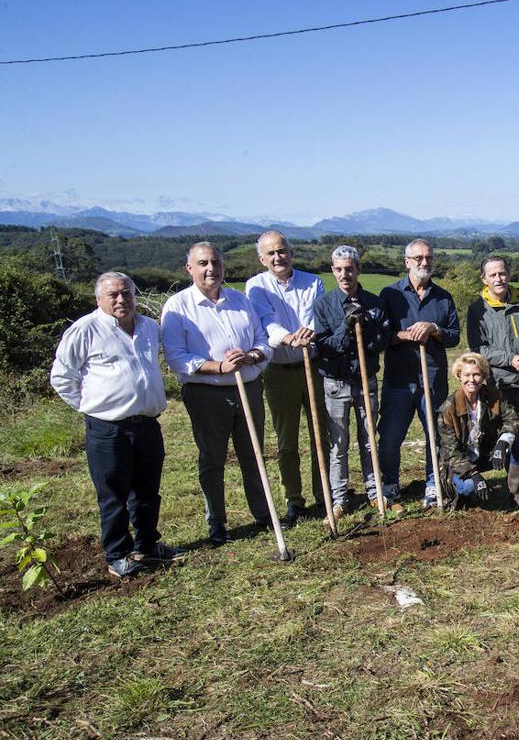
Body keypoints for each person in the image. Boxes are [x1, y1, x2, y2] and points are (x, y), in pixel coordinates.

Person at [50, 272, 181, 577]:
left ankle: (148, 544)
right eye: (114, 295)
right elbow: (62, 376)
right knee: (113, 494)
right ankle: (118, 553)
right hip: (108, 429)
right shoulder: (85, 330)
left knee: (148, 490)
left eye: (127, 293)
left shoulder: (149, 327)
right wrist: (92, 407)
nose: (122, 299)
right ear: (99, 299)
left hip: (147, 423)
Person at [161, 242, 274, 545]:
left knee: (253, 454)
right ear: (190, 268)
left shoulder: (240, 300)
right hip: (206, 393)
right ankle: (218, 523)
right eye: (203, 263)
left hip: (247, 387)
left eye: (215, 262)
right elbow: (176, 357)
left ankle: (264, 514)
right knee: (213, 458)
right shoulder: (177, 306)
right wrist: (218, 366)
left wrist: (251, 356)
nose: (211, 269)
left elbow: (263, 340)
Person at [245, 230, 326, 527]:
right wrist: (287, 338)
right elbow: (266, 321)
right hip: (279, 370)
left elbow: (316, 315)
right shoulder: (256, 286)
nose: (278, 257)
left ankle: (325, 494)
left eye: (282, 251)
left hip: (312, 367)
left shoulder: (312, 281)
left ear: (290, 252)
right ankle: (294, 499)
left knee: (321, 433)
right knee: (286, 439)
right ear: (262, 258)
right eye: (271, 254)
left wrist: (308, 332)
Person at [379, 239, 461, 507]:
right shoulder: (390, 295)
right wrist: (404, 334)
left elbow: (454, 336)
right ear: (407, 262)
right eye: (418, 258)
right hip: (399, 380)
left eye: (429, 258)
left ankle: (432, 483)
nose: (424, 263)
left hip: (433, 379)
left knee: (435, 436)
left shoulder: (443, 297)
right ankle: (390, 484)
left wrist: (434, 328)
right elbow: (380, 336)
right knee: (391, 436)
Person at [312, 245, 391, 517]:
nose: (345, 274)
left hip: (365, 379)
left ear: (358, 270)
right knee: (338, 443)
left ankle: (375, 492)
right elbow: (324, 347)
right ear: (333, 271)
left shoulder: (375, 303)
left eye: (349, 269)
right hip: (336, 383)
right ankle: (339, 499)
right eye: (339, 269)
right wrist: (346, 328)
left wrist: (366, 326)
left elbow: (381, 342)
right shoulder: (323, 305)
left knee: (369, 439)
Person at [466, 254, 519, 508]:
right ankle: (516, 491)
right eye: (493, 275)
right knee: (514, 435)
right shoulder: (478, 309)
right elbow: (479, 349)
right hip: (500, 385)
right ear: (484, 279)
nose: (499, 278)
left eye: (502, 273)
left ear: (508, 274)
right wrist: (510, 359)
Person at [435, 353, 519, 510]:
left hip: (485, 453)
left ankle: (515, 493)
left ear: (483, 375)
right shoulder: (448, 409)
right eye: (467, 375)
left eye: (476, 374)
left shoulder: (493, 396)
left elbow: (513, 418)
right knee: (470, 486)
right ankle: (465, 494)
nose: (472, 379)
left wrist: (503, 442)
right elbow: (451, 453)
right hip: (459, 463)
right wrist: (474, 474)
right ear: (459, 376)